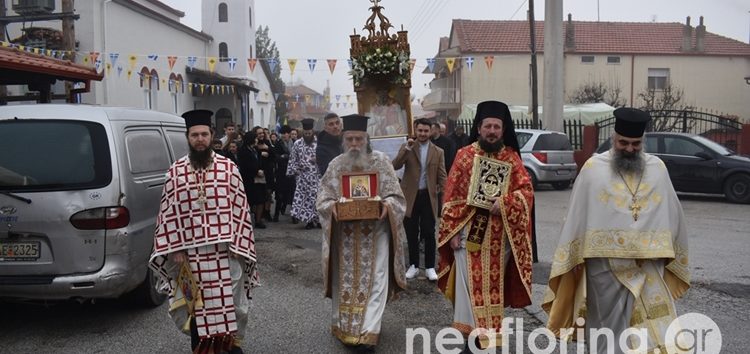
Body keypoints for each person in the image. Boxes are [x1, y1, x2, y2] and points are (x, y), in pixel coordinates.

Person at [543, 108, 690, 354]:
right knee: (606, 330)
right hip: (604, 269)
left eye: (636, 143)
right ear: (614, 138)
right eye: (624, 142)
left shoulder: (657, 168)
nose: (630, 149)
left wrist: (665, 249)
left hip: (647, 265)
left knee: (650, 331)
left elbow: (673, 215)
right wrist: (574, 257)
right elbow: (577, 216)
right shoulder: (593, 168)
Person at [149, 109, 257, 354]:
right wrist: (175, 248)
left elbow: (240, 210)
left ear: (212, 135)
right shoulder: (175, 172)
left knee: (228, 302)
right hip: (190, 255)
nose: (200, 139)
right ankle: (201, 348)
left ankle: (230, 348)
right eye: (194, 135)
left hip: (225, 252)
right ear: (188, 137)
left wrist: (239, 247)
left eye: (204, 134)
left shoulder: (229, 169)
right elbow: (168, 213)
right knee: (196, 305)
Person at [436, 100, 534, 351]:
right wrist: (452, 232)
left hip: (500, 241)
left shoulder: (511, 158)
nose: (492, 131)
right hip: (469, 237)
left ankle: (489, 343)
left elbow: (526, 192)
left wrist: (504, 203)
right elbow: (451, 197)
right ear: (479, 128)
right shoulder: (464, 156)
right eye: (488, 126)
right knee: (468, 292)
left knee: (492, 294)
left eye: (497, 127)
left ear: (503, 130)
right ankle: (471, 344)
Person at [316, 114, 407, 349]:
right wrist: (333, 208)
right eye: (350, 139)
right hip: (345, 239)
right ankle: (345, 327)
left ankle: (369, 332)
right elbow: (323, 198)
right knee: (344, 284)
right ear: (344, 140)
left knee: (376, 281)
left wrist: (387, 207)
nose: (354, 144)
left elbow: (396, 197)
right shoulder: (336, 165)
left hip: (376, 235)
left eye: (358, 139)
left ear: (366, 139)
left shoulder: (381, 162)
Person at [392, 118, 446, 281]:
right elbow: (395, 165)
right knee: (411, 231)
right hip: (410, 196)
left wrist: (446, 195)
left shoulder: (438, 151)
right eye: (420, 130)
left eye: (426, 131)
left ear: (431, 131)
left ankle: (430, 266)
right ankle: (414, 265)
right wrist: (407, 148)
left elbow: (442, 175)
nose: (422, 134)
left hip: (428, 197)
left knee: (429, 232)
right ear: (415, 130)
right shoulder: (408, 147)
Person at [287, 118, 321, 229]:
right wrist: (296, 168)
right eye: (305, 133)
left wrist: (318, 159)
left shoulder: (319, 142)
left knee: (318, 198)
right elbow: (292, 159)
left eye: (309, 133)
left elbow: (326, 157)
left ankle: (319, 220)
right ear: (303, 132)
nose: (307, 135)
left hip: (317, 176)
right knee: (306, 200)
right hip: (303, 177)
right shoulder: (297, 144)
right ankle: (309, 221)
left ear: (313, 131)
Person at [237, 130, 269, 229]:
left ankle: (258, 220)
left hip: (258, 180)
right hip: (249, 180)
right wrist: (256, 171)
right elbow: (244, 165)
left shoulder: (254, 149)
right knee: (249, 201)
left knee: (260, 200)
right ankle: (246, 220)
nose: (256, 140)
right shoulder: (243, 151)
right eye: (255, 138)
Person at [272, 125, 295, 222]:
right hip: (281, 172)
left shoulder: (294, 143)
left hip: (292, 172)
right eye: (283, 133)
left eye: (287, 133)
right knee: (280, 194)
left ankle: (294, 216)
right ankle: (276, 214)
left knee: (292, 194)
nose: (285, 135)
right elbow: (275, 156)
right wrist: (282, 157)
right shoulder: (278, 144)